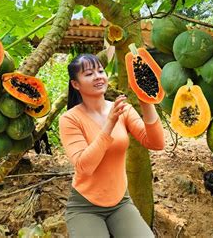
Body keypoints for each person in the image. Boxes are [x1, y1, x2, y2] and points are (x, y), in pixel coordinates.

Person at [59, 53, 165, 237]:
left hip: (120, 203)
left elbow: (156, 143)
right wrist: (109, 124)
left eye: (100, 71)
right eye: (89, 73)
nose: (98, 76)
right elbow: (84, 167)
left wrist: (146, 101)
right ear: (76, 84)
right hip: (85, 207)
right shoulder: (70, 119)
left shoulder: (123, 110)